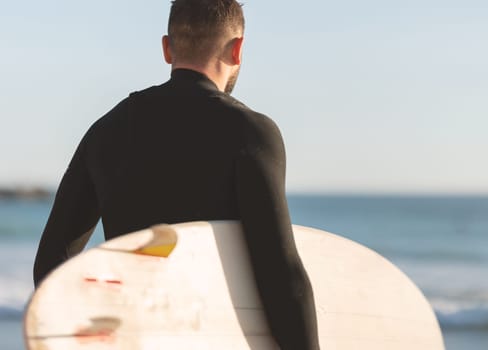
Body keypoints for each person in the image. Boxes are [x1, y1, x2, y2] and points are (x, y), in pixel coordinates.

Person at [33, 0, 320, 348]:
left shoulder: (106, 130)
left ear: (167, 48)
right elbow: (280, 278)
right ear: (238, 49)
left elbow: (51, 265)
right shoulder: (251, 133)